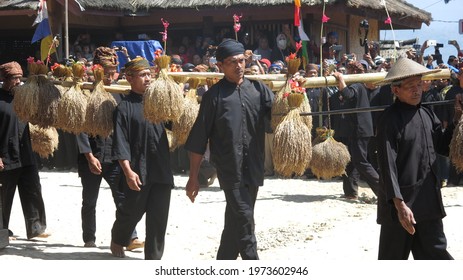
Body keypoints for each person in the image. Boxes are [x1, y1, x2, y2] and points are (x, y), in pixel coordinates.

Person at [184, 39, 274, 260]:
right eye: (232, 62)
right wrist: (193, 177)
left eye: (242, 61)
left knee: (235, 223)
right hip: (229, 169)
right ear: (221, 66)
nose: (239, 66)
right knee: (245, 220)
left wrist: (294, 88)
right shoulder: (213, 97)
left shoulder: (259, 89)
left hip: (253, 166)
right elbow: (198, 139)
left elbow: (278, 113)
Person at [375, 57, 462, 260]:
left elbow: (444, 146)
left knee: (436, 255)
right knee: (392, 261)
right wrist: (399, 205)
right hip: (400, 208)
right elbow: (387, 166)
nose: (417, 90)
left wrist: (458, 119)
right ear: (395, 90)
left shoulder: (426, 113)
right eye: (410, 86)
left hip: (429, 203)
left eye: (419, 85)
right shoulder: (389, 119)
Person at [77, 47, 144, 250]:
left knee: (123, 198)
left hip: (115, 157)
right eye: (105, 70)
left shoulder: (119, 94)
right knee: (89, 200)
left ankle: (129, 237)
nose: (109, 75)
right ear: (96, 69)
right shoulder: (85, 93)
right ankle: (89, 238)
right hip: (92, 155)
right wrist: (89, 157)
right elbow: (79, 128)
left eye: (112, 70)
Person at [110, 57, 174, 259]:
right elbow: (121, 143)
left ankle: (154, 259)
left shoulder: (158, 102)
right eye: (143, 75)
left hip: (161, 168)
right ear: (129, 78)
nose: (148, 79)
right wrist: (128, 172)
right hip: (137, 169)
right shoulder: (124, 108)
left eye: (149, 74)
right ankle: (119, 238)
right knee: (130, 211)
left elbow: (175, 123)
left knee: (159, 217)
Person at [0, 61, 49, 240]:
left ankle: (36, 228)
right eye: (14, 78)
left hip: (26, 155)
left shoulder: (23, 97)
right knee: (4, 197)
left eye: (20, 78)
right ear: (4, 79)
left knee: (33, 190)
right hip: (5, 157)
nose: (18, 82)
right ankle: (3, 231)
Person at [332, 61, 379, 199]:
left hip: (360, 130)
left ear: (354, 73)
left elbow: (347, 94)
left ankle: (383, 190)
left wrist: (340, 79)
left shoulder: (357, 85)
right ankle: (350, 192)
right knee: (350, 162)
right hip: (355, 130)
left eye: (348, 71)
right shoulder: (359, 86)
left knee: (360, 162)